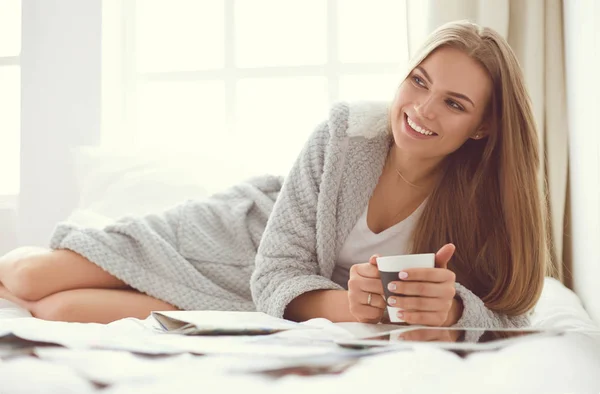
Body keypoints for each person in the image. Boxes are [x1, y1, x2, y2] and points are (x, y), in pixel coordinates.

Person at [0, 20, 552, 328]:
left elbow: (514, 310)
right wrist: (355, 306)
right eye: (419, 80)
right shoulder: (347, 134)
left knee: (60, 311)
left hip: (269, 298)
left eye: (455, 104)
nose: (422, 109)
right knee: (29, 279)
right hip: (245, 239)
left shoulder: (486, 199)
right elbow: (277, 265)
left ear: (483, 127)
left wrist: (452, 309)